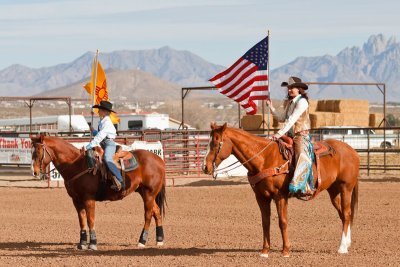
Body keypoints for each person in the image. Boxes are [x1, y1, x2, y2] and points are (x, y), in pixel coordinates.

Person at [266, 76, 314, 196]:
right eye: (288, 88)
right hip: (289, 135)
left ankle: (302, 186)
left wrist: (278, 134)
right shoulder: (290, 103)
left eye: (291, 88)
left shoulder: (302, 102)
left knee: (301, 155)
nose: (289, 90)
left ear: (299, 89)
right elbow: (282, 118)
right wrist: (271, 107)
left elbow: (291, 120)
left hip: (300, 135)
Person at [86, 100, 124, 191]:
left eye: (100, 110)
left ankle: (120, 180)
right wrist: (94, 131)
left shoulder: (106, 122)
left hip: (109, 144)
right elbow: (100, 134)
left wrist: (91, 145)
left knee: (107, 158)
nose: (98, 111)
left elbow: (101, 135)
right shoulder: (103, 121)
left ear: (105, 111)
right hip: (103, 143)